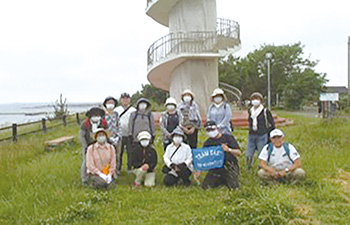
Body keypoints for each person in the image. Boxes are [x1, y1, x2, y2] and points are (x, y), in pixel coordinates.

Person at [201, 121, 241, 189]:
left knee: (234, 187)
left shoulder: (228, 138)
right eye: (208, 130)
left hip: (229, 166)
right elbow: (204, 158)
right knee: (206, 186)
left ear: (217, 128)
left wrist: (229, 150)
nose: (211, 132)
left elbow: (239, 152)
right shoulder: (207, 143)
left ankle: (226, 180)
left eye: (212, 129)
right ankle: (220, 180)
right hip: (215, 168)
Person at [246, 92, 275, 169]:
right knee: (249, 153)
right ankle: (249, 167)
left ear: (261, 100)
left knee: (262, 152)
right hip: (251, 134)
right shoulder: (250, 110)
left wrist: (270, 133)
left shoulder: (265, 111)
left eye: (257, 99)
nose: (255, 101)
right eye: (253, 99)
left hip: (262, 134)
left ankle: (262, 167)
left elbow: (271, 123)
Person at [80, 107, 108, 184]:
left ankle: (103, 175)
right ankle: (84, 179)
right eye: (94, 115)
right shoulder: (85, 124)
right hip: (88, 144)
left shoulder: (103, 123)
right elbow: (82, 136)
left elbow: (106, 133)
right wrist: (85, 146)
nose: (96, 117)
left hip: (100, 144)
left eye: (98, 115)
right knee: (86, 161)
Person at [115, 92, 136, 173]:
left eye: (127, 98)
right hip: (119, 135)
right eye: (123, 98)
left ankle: (129, 167)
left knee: (130, 152)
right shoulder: (116, 110)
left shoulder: (133, 110)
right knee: (119, 152)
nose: (125, 100)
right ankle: (118, 168)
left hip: (129, 134)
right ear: (121, 100)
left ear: (130, 100)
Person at [103, 96, 121, 173]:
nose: (110, 105)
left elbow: (119, 125)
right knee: (106, 155)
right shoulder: (103, 115)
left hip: (116, 137)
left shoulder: (116, 114)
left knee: (116, 155)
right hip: (106, 138)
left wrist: (118, 136)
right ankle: (106, 171)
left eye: (112, 103)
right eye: (108, 103)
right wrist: (108, 137)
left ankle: (116, 170)